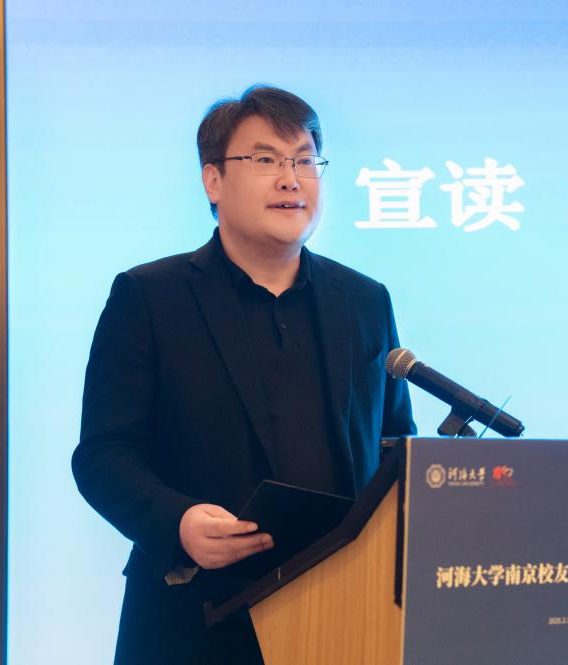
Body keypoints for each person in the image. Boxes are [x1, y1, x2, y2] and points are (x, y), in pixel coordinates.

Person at [73, 85, 416, 665]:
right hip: (197, 616)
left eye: (305, 161)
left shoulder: (363, 300)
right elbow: (104, 455)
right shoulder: (150, 297)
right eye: (265, 160)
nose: (291, 180)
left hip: (343, 613)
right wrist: (178, 522)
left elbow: (393, 445)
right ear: (213, 180)